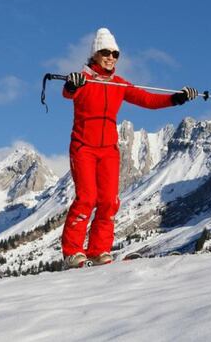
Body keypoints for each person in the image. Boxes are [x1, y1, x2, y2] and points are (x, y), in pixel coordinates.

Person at [61, 28, 198, 268]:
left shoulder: (118, 84)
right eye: (105, 52)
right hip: (83, 147)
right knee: (87, 198)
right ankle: (72, 253)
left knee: (109, 201)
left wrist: (177, 98)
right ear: (94, 54)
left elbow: (148, 100)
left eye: (115, 54)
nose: (111, 57)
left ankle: (99, 250)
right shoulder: (83, 78)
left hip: (109, 150)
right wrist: (73, 85)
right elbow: (68, 94)